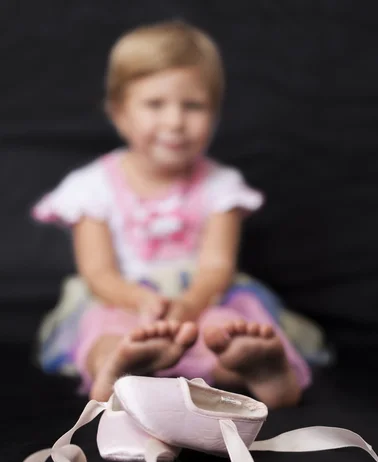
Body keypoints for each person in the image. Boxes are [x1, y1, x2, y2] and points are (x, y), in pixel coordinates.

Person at [32, 20, 312, 408]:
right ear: (119, 113)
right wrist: (137, 300)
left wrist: (191, 305)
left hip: (202, 297)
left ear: (214, 113)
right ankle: (119, 369)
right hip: (125, 301)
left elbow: (217, 266)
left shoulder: (220, 184)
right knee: (106, 332)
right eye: (154, 104)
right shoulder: (92, 187)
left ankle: (258, 372)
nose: (175, 121)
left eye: (193, 105)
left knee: (225, 332)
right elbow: (97, 272)